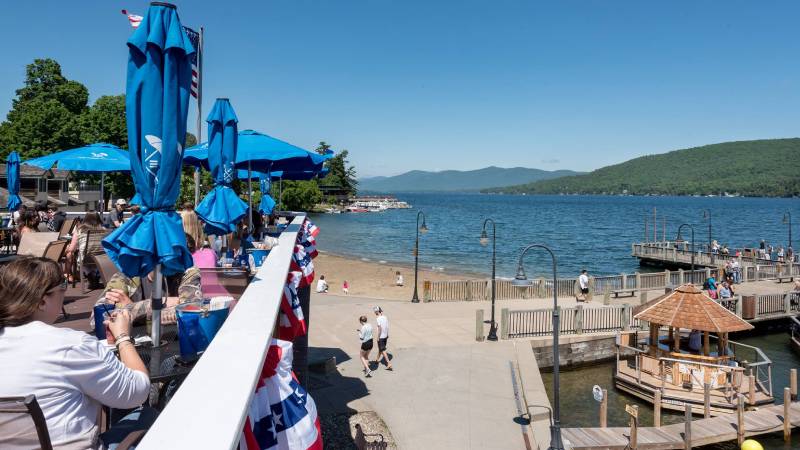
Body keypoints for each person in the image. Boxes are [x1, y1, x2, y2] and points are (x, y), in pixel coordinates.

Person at [0, 257, 153, 449]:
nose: (64, 292)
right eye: (62, 286)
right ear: (41, 301)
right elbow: (138, 391)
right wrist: (123, 336)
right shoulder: (69, 345)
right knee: (147, 416)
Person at [65, 212, 105, 283]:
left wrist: (67, 249)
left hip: (85, 259)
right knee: (89, 254)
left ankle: (70, 274)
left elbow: (72, 249)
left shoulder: (80, 230)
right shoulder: (104, 230)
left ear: (85, 219)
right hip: (101, 259)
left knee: (70, 252)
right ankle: (94, 273)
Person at [373, 306, 393, 370]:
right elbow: (387, 326)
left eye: (375, 312)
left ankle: (388, 363)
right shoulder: (385, 317)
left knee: (383, 350)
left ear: (376, 312)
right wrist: (387, 334)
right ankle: (377, 360)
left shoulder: (378, 319)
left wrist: (378, 337)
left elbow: (379, 328)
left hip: (381, 337)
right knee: (381, 349)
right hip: (385, 336)